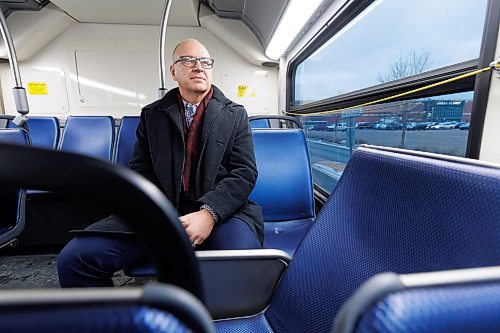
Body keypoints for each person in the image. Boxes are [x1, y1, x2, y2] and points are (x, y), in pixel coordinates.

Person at [57, 39, 264, 287]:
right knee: (76, 258)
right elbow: (140, 171)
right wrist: (158, 212)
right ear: (173, 71)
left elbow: (244, 173)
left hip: (222, 214)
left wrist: (209, 213)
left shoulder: (235, 114)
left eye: (205, 62)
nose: (199, 67)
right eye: (188, 60)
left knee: (246, 262)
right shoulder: (152, 115)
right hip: (161, 213)